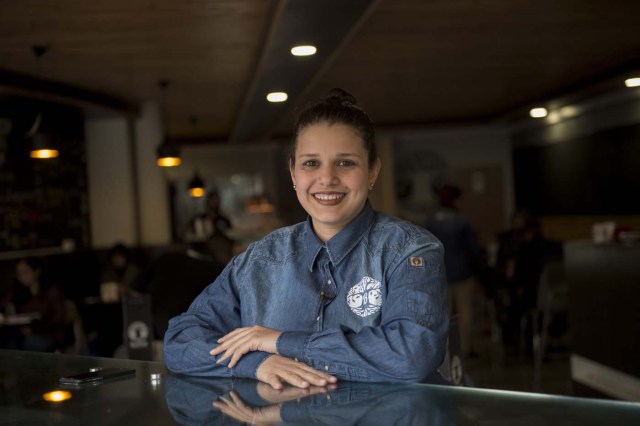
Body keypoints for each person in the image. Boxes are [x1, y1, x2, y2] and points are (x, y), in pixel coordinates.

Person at [164, 88, 449, 389]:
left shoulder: (410, 250)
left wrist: (280, 342)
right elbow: (181, 340)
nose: (327, 178)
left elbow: (413, 355)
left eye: (346, 163)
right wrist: (257, 363)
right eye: (311, 163)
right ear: (293, 174)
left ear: (372, 172)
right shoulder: (260, 260)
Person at [425, 184, 484, 359]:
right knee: (465, 313)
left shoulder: (431, 221)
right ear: (455, 200)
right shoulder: (462, 221)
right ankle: (465, 349)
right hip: (463, 272)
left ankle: (446, 350)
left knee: (443, 314)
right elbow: (473, 248)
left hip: (439, 274)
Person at [9, 257, 67, 352]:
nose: (22, 276)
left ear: (36, 271)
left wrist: (35, 330)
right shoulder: (21, 294)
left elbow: (58, 318)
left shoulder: (51, 291)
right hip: (27, 334)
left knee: (29, 344)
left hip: (50, 334)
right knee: (10, 343)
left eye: (25, 272)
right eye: (19, 273)